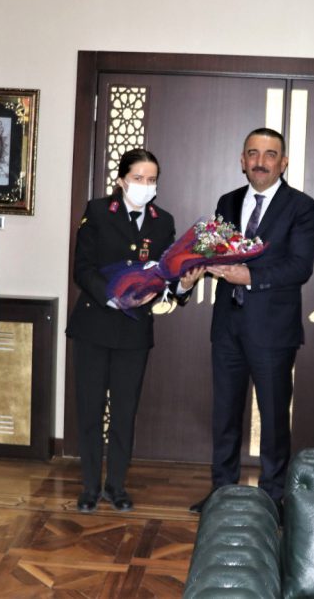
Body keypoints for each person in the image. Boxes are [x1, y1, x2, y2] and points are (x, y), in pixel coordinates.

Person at [66, 148, 204, 513]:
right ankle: (90, 486)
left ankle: (116, 486)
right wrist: (112, 297)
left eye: (151, 179)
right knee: (90, 409)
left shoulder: (163, 221)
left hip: (134, 331)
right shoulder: (98, 211)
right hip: (94, 324)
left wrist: (185, 285)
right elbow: (83, 268)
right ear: (121, 180)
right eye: (138, 178)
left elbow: (168, 276)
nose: (145, 185)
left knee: (125, 412)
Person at [191, 127, 314, 514]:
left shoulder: (301, 206)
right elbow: (213, 249)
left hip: (273, 331)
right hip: (227, 327)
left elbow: (300, 266)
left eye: (269, 154)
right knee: (225, 414)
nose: (260, 162)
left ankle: (273, 497)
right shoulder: (227, 201)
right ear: (242, 160)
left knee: (275, 418)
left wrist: (251, 276)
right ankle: (221, 491)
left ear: (283, 162)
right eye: (253, 153)